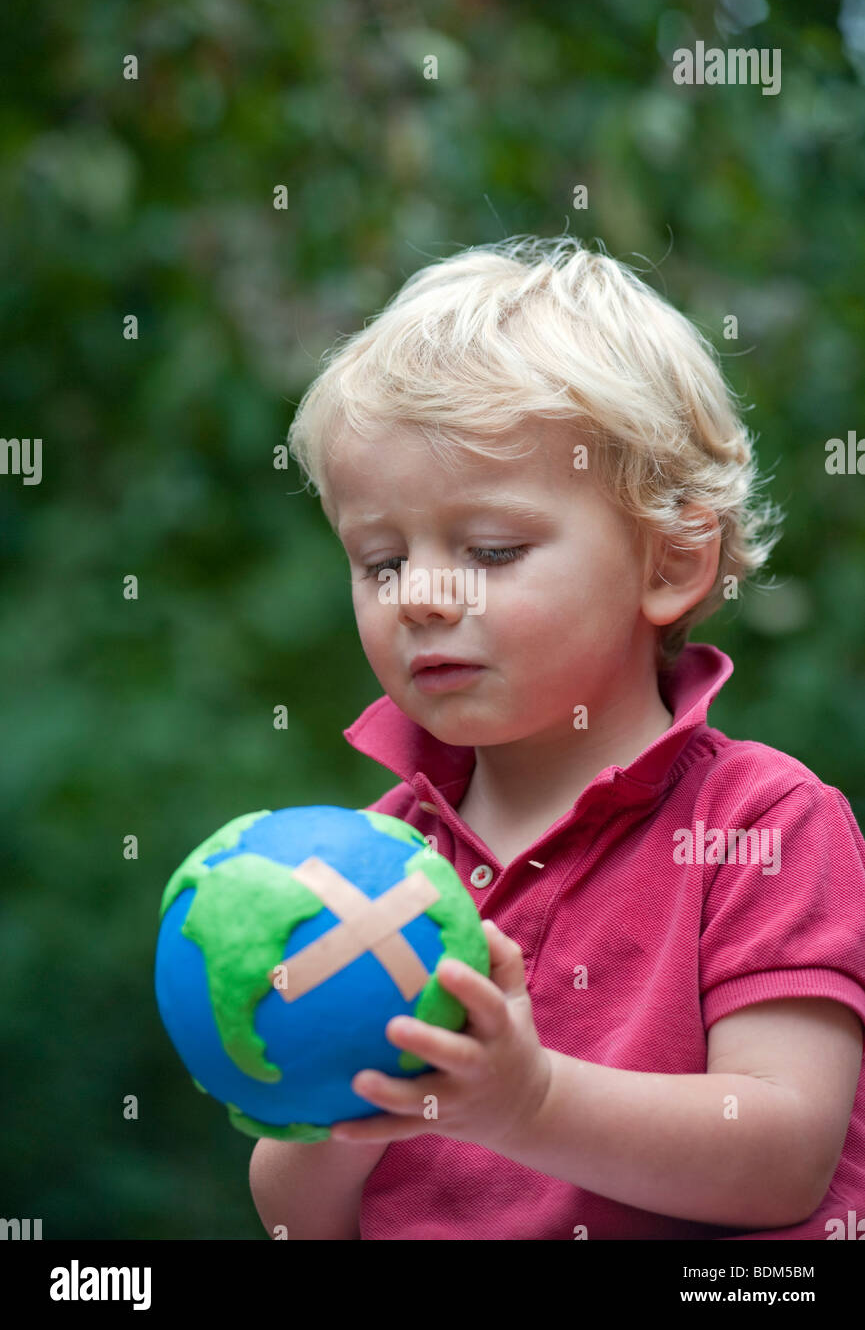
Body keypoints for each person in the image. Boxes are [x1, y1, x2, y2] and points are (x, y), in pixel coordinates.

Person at [249, 235, 865, 1240]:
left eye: (491, 550)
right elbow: (296, 1218)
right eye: (379, 560)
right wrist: (327, 1101)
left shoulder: (763, 820)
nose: (423, 597)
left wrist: (527, 1102)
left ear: (669, 561)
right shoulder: (367, 865)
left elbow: (784, 1154)